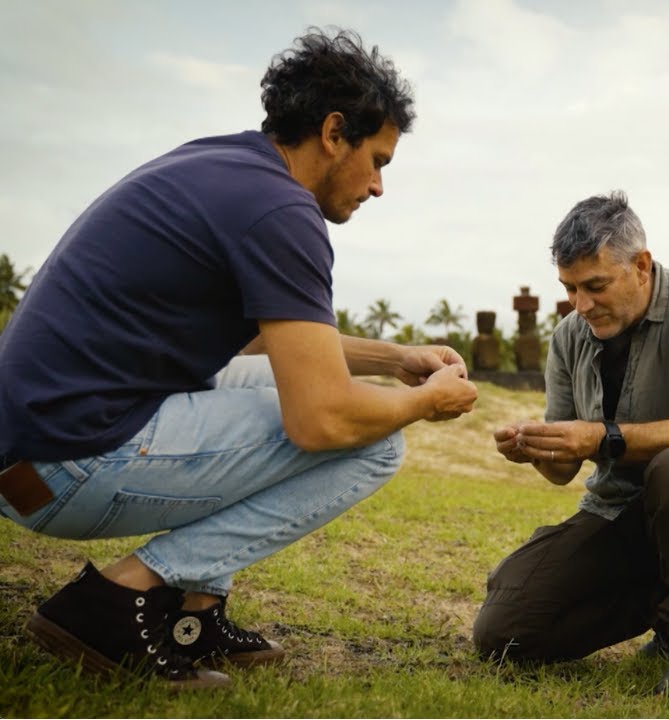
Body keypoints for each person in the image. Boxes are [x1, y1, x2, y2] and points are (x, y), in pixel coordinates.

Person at [0, 28, 477, 689]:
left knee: (274, 382)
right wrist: (425, 403)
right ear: (334, 131)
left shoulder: (223, 168)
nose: (377, 186)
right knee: (374, 441)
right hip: (67, 461)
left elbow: (264, 336)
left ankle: (195, 613)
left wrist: (394, 359)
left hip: (31, 449)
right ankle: (115, 600)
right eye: (379, 160)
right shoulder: (280, 210)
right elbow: (320, 420)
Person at [473, 191, 669, 695]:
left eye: (595, 286)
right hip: (615, 513)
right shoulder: (568, 336)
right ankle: (666, 611)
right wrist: (537, 449)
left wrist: (600, 438)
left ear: (642, 266)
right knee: (502, 634)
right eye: (569, 288)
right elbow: (566, 471)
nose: (581, 305)